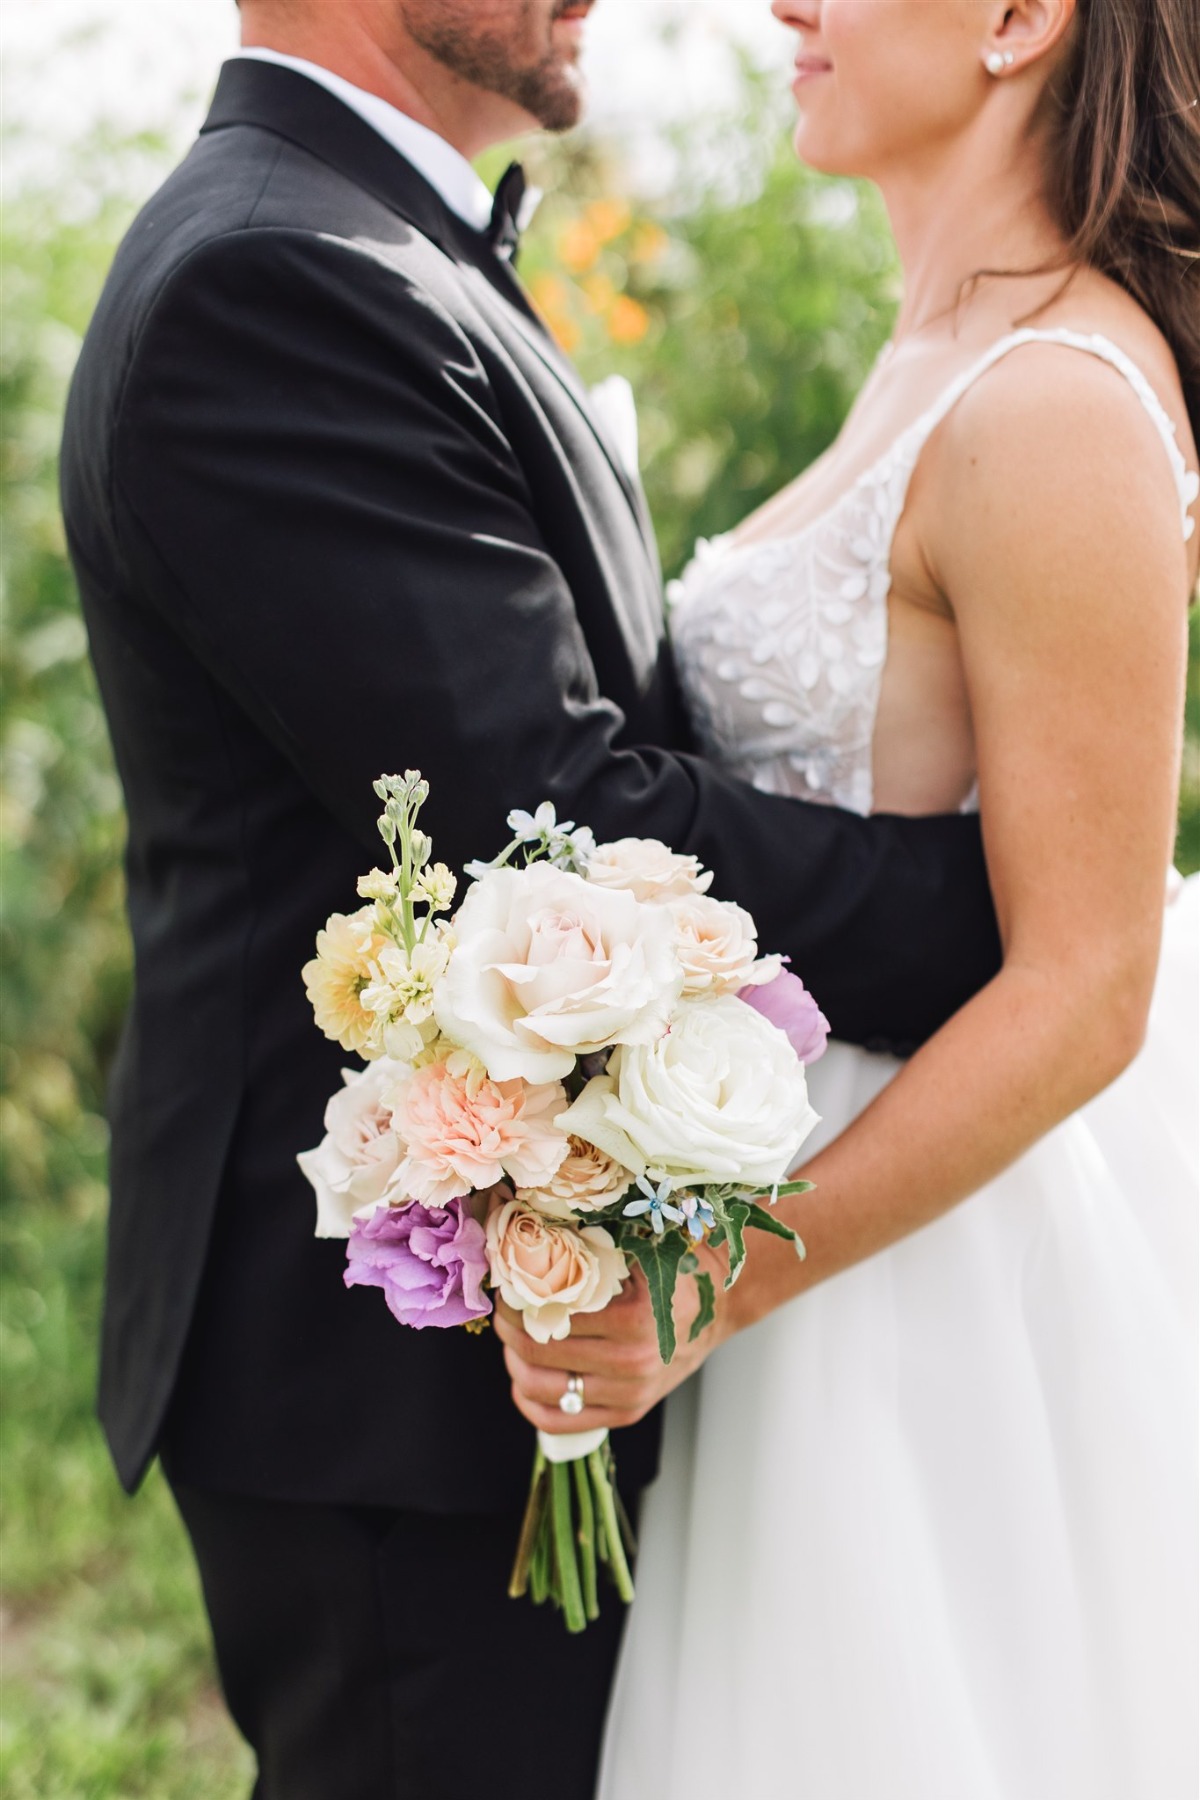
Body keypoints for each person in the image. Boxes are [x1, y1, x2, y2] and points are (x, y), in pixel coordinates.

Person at [57, 2, 1008, 1795]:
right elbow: (554, 816)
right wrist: (1021, 914)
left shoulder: (362, 240)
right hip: (391, 1390)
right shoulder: (268, 282)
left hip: (500, 1353)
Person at [500, 0, 1200, 1793]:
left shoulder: (1056, 404)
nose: (784, 10)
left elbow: (1089, 980)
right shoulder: (945, 355)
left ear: (1019, 20)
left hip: (918, 1277)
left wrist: (713, 1285)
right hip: (815, 1231)